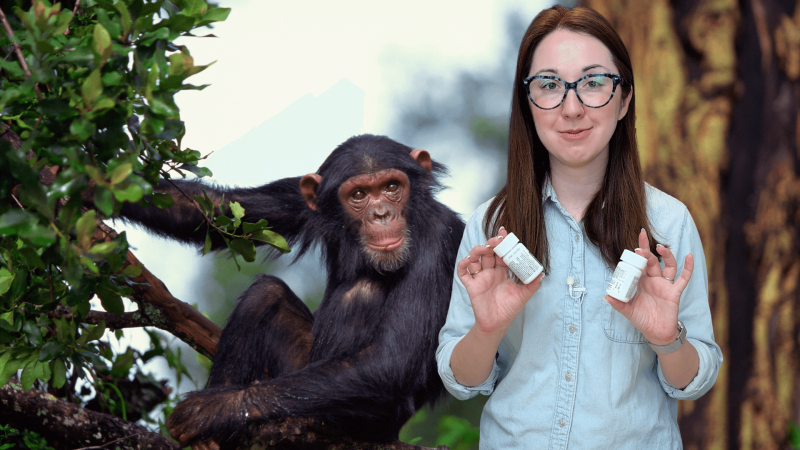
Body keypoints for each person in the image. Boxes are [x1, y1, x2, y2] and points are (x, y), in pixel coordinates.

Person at [435, 5, 722, 449]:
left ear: (624, 99)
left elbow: (693, 379)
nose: (572, 108)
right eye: (549, 85)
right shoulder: (491, 225)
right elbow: (463, 380)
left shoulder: (667, 222)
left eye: (593, 83)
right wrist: (487, 330)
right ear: (527, 102)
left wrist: (667, 340)